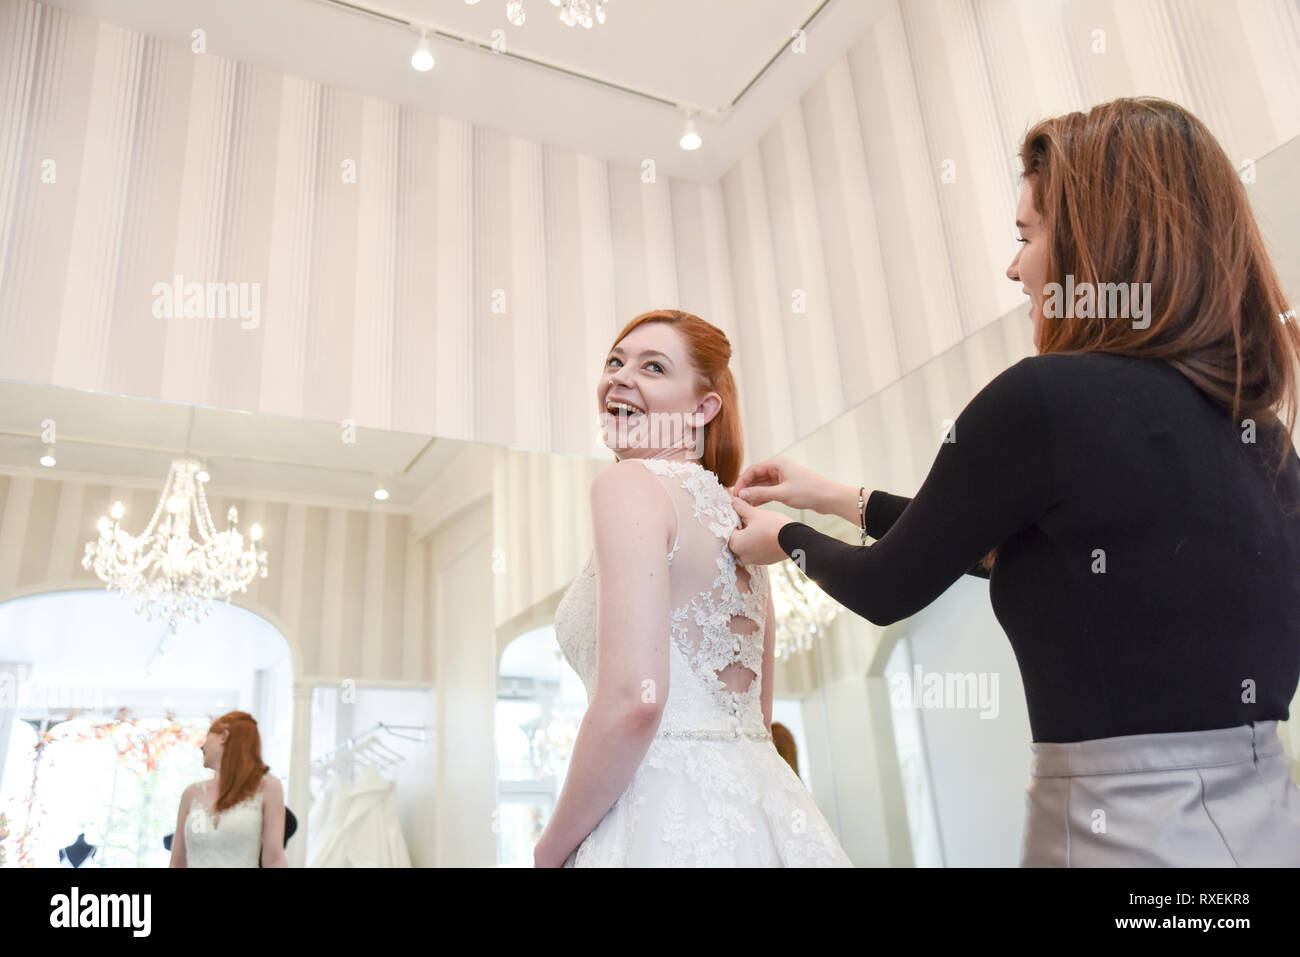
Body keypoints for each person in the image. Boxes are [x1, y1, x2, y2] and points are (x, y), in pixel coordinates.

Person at [727, 96, 1300, 867]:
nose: (1013, 266)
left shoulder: (1045, 397)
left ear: (1097, 243)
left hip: (1122, 836)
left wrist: (785, 540)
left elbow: (888, 586)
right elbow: (995, 538)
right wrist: (836, 498)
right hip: (1266, 827)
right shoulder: (1263, 437)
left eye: (1027, 236)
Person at [537, 309, 852, 866]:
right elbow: (755, 718)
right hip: (767, 812)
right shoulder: (737, 517)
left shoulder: (627, 485)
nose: (620, 376)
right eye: (615, 361)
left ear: (703, 408)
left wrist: (551, 848)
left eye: (653, 367)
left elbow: (634, 701)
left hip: (660, 810)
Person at [169, 711, 288, 867]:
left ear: (223, 737)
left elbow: (274, 860)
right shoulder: (191, 794)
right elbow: (178, 861)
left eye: (207, 737)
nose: (202, 746)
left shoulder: (269, 788)